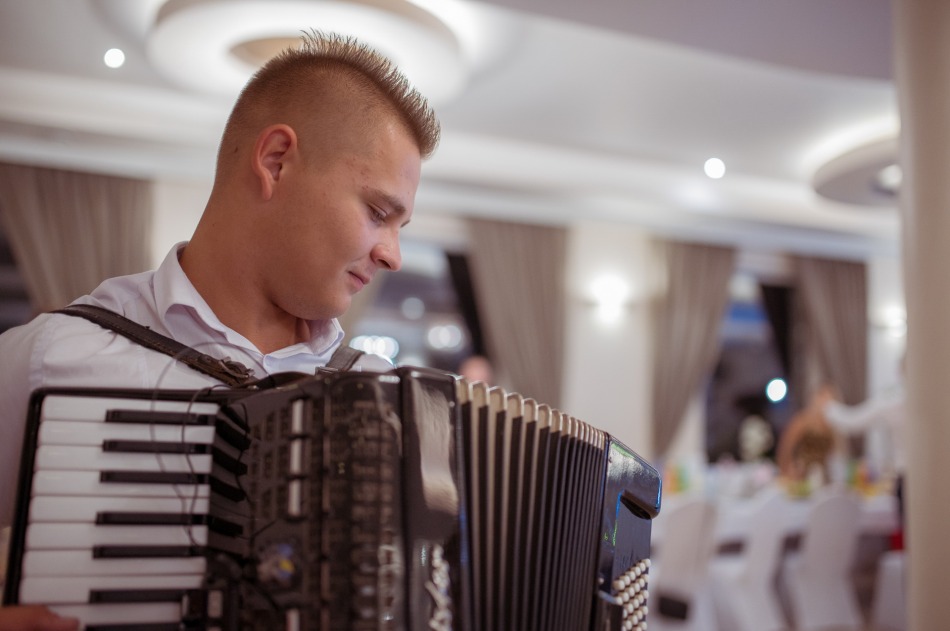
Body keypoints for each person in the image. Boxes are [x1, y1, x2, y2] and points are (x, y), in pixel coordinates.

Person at [0, 31, 440, 627]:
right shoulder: (47, 356)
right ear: (275, 161)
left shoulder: (385, 399)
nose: (393, 255)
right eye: (378, 212)